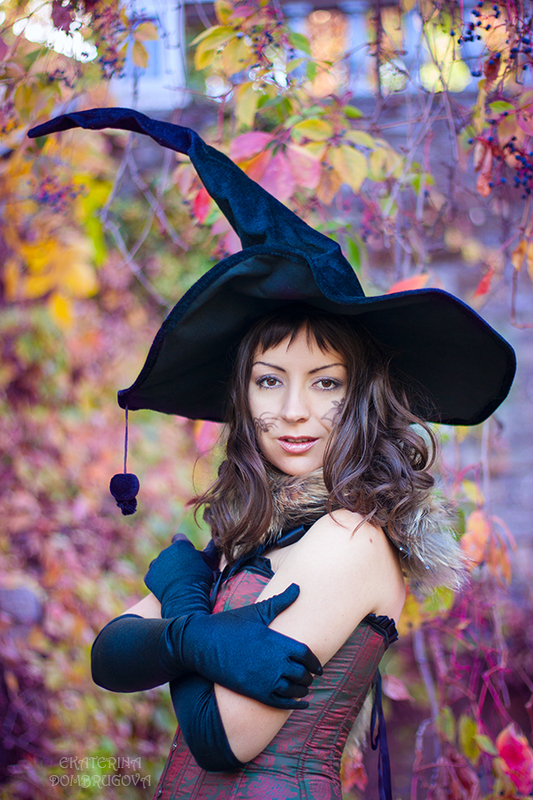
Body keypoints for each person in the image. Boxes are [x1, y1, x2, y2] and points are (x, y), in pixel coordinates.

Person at [28, 109, 516, 800]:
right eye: (269, 381)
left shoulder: (348, 536)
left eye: (325, 383)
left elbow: (222, 739)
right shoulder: (255, 533)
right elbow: (109, 658)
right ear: (242, 393)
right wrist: (195, 635)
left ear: (360, 398)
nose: (292, 411)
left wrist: (181, 600)